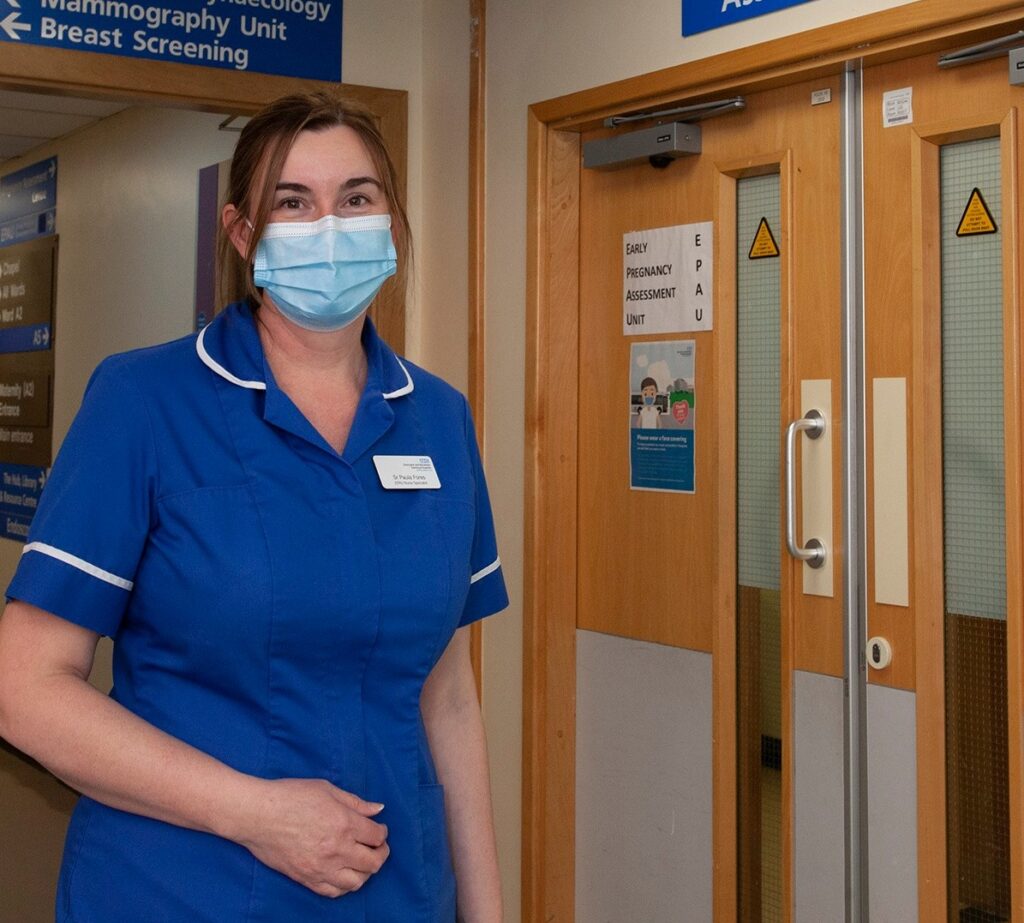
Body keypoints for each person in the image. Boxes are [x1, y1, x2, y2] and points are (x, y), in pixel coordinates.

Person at [0, 91, 508, 922]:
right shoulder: (145, 401)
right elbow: (24, 689)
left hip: (397, 892)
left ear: (391, 219)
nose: (330, 226)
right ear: (242, 233)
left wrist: (487, 913)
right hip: (182, 887)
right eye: (293, 203)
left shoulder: (438, 418)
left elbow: (446, 691)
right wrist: (256, 812)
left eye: (357, 197)